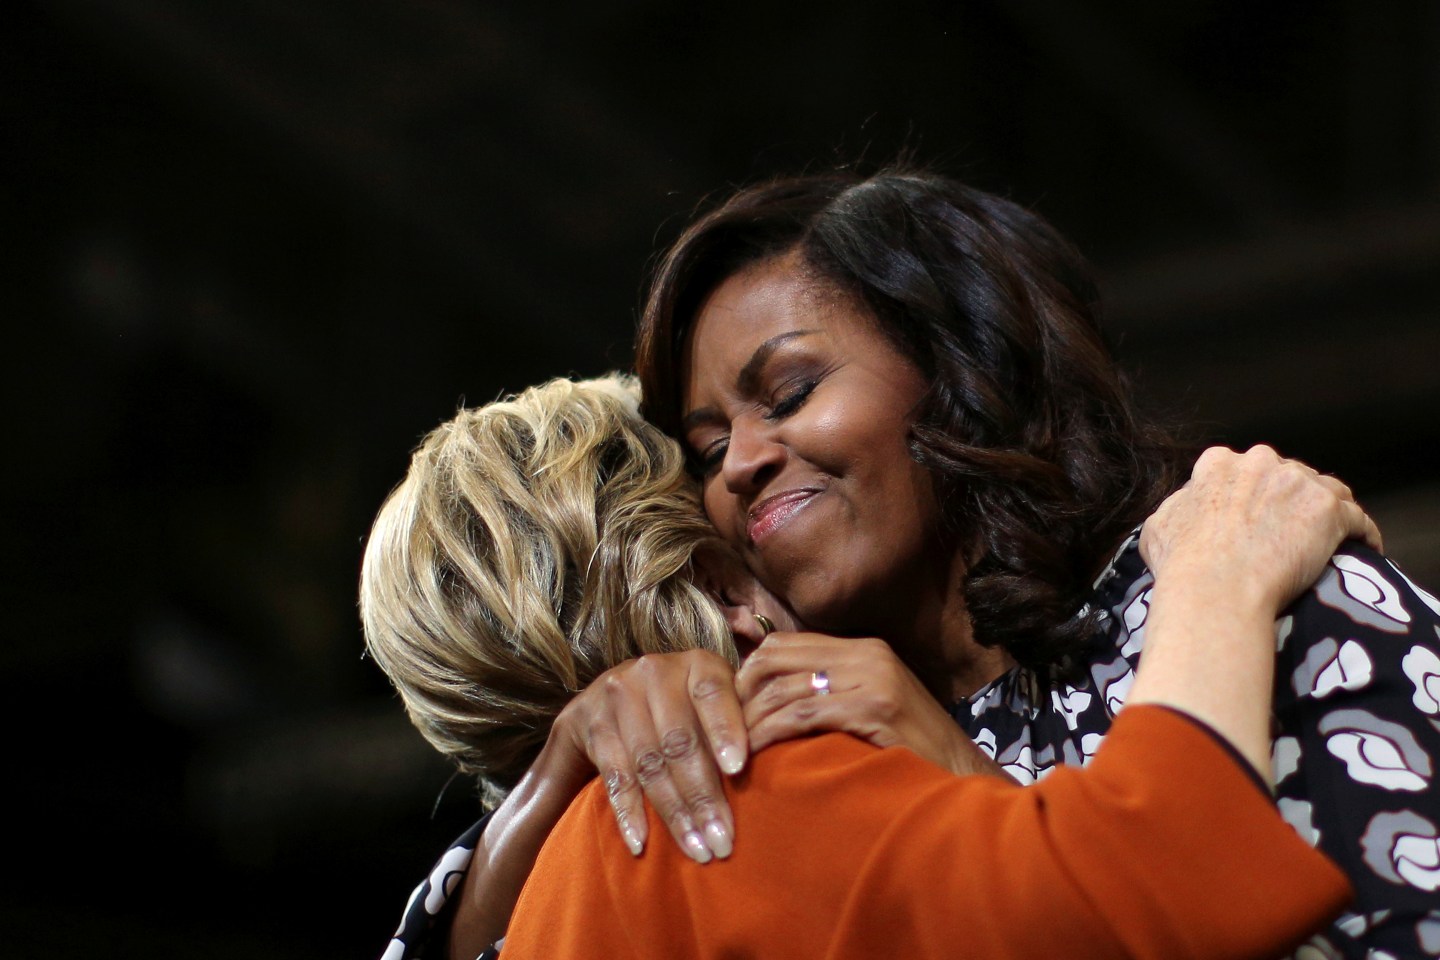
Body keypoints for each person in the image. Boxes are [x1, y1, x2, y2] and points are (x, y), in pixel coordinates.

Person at [433, 168, 1440, 960]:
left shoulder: (1252, 588)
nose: (739, 462)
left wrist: (1215, 582)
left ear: (959, 371)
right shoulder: (788, 753)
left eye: (787, 393)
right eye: (705, 451)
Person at [363, 374, 1362, 960]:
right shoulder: (749, 794)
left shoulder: (546, 905)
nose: (758, 471)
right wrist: (1221, 575)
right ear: (722, 580)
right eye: (713, 464)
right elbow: (1171, 890)